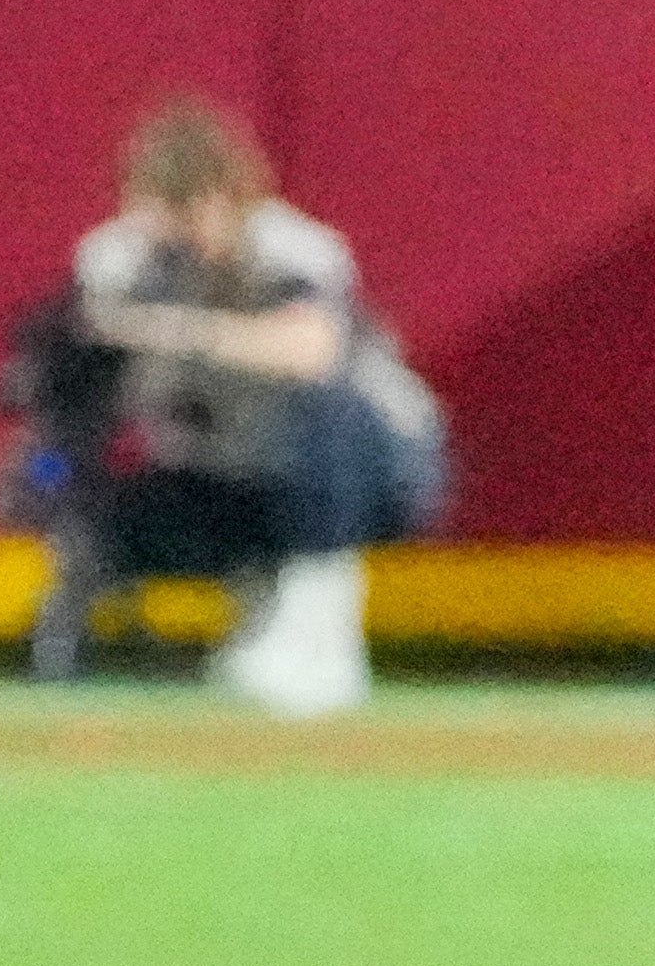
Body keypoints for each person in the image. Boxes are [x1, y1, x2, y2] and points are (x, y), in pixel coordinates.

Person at [35, 96, 447, 715]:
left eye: (189, 211)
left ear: (227, 197)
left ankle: (319, 625)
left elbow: (310, 353)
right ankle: (250, 617)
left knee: (322, 409)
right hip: (222, 474)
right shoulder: (118, 260)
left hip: (373, 475)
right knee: (84, 485)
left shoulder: (293, 250)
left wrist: (183, 331)